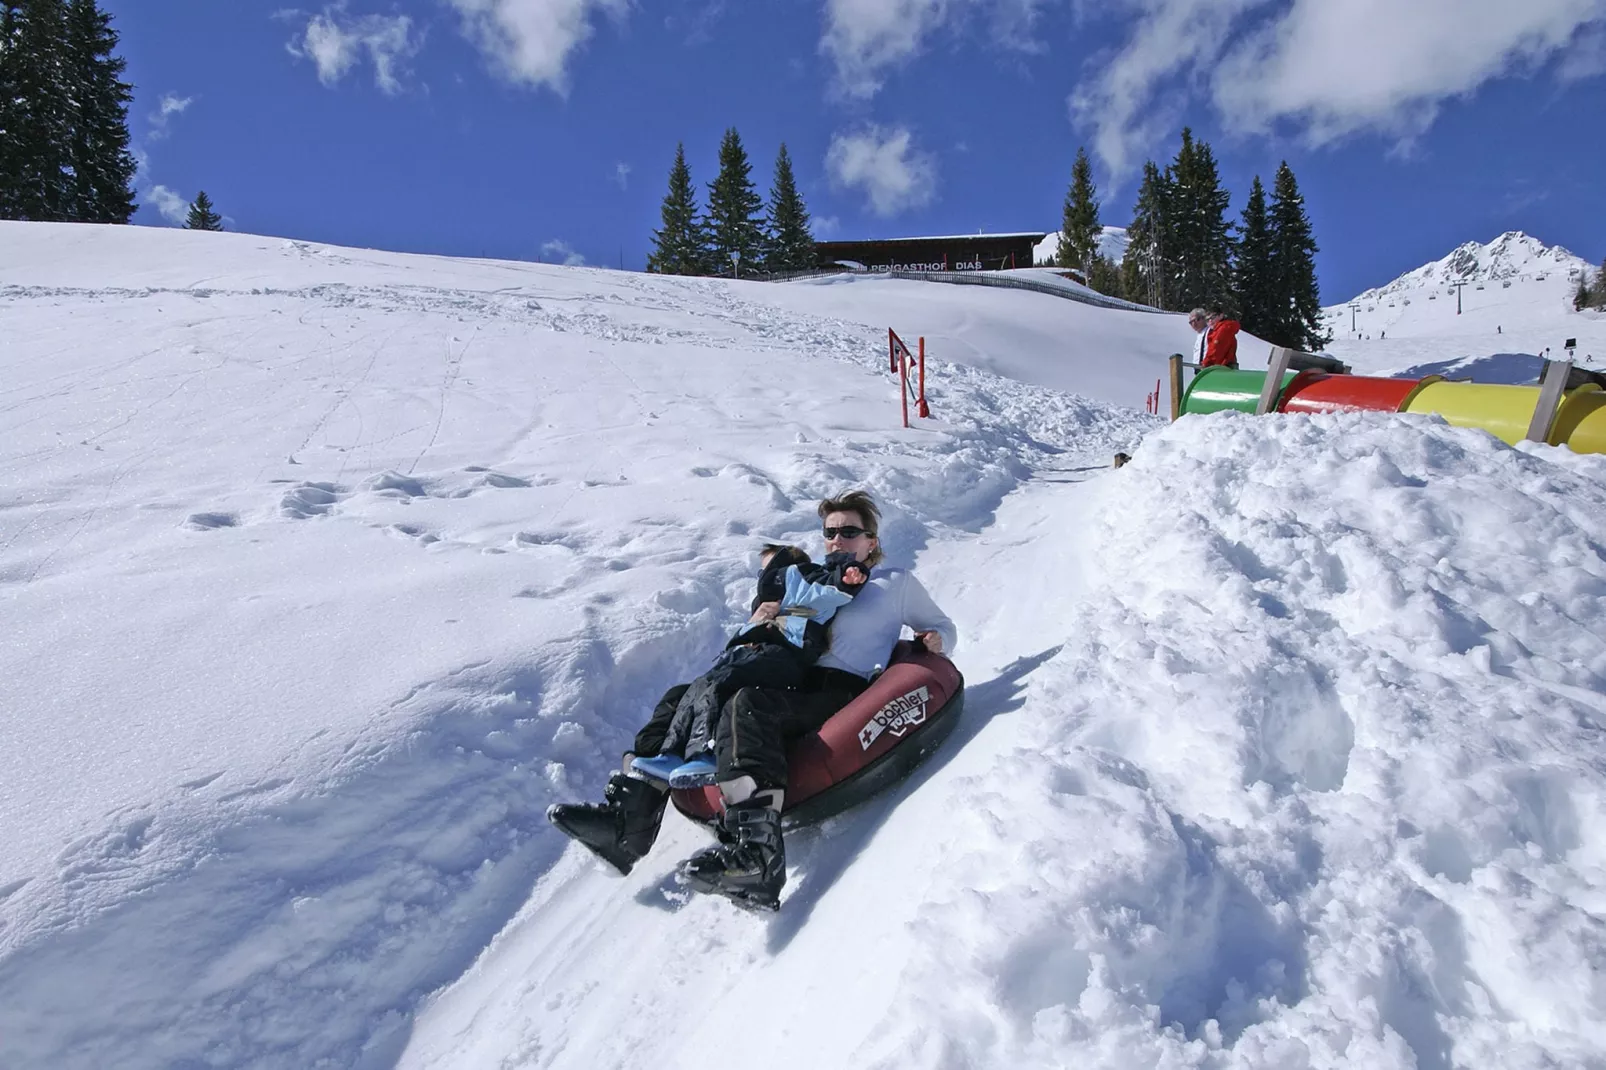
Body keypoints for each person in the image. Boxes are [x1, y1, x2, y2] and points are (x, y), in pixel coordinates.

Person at [547, 490, 957, 910]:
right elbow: (789, 623)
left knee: (749, 704)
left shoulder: (894, 584)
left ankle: (758, 858)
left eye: (849, 531)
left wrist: (936, 638)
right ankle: (626, 824)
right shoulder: (813, 580)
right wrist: (768, 615)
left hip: (839, 690)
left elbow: (942, 623)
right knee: (680, 696)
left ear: (871, 540)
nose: (837, 540)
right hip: (791, 674)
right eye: (830, 532)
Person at [626, 544, 868, 789]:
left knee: (722, 682)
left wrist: (846, 576)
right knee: (698, 686)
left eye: (769, 570)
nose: (766, 579)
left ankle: (705, 754)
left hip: (783, 657)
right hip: (754, 655)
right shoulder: (766, 607)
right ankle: (667, 753)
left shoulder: (802, 586)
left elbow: (829, 588)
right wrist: (755, 622)